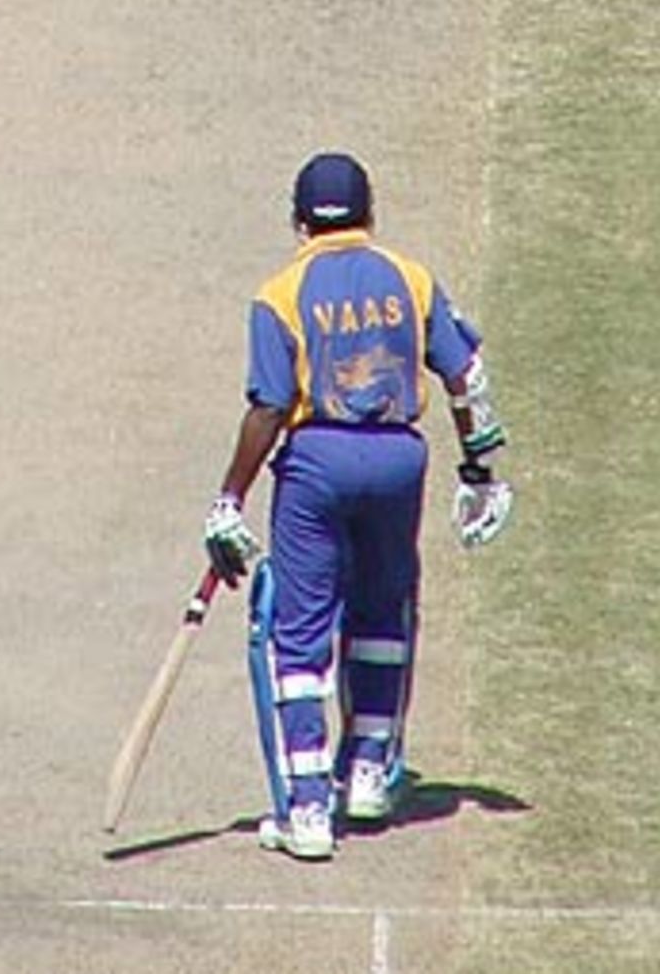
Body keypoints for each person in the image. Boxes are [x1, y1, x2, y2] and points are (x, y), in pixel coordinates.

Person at [202, 151, 513, 861]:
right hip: (400, 461)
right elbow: (467, 374)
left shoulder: (279, 293)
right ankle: (367, 773)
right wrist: (479, 467)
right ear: (371, 214)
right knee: (382, 611)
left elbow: (272, 405)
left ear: (298, 220)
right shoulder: (412, 277)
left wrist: (230, 499)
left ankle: (309, 810)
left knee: (299, 631)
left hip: (317, 465)